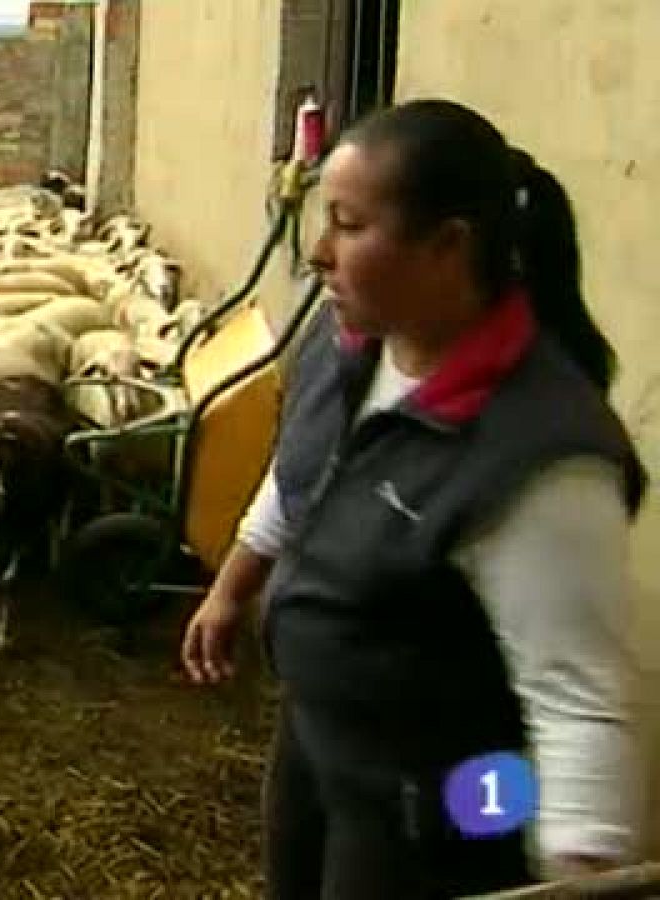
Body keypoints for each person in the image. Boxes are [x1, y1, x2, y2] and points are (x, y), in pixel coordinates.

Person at [180, 97, 648, 898]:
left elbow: (577, 705)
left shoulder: (542, 459)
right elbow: (300, 473)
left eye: (351, 226)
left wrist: (580, 871)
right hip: (325, 739)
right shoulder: (346, 338)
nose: (320, 253)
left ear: (448, 246)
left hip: (440, 803)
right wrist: (233, 588)